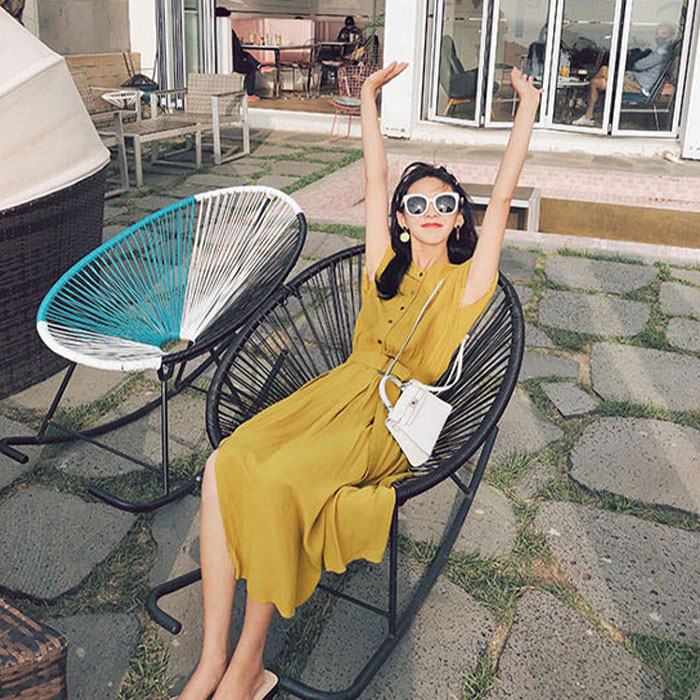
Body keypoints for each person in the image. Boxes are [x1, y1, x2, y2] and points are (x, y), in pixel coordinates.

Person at [175, 61, 541, 700]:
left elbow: (506, 194)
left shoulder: (466, 286)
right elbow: (374, 179)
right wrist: (368, 98)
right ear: (401, 219)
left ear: (460, 218)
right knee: (224, 463)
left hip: (386, 421)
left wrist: (526, 109)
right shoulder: (383, 267)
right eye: (417, 204)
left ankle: (247, 668)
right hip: (333, 394)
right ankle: (212, 660)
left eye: (446, 203)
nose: (431, 212)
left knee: (280, 484)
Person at [572, 23, 675, 126]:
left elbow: (639, 65)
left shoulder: (663, 53)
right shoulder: (662, 51)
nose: (659, 36)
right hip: (637, 81)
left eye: (663, 34)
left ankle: (586, 102)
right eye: (657, 34)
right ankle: (587, 110)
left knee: (601, 74)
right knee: (598, 79)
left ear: (671, 36)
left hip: (639, 86)